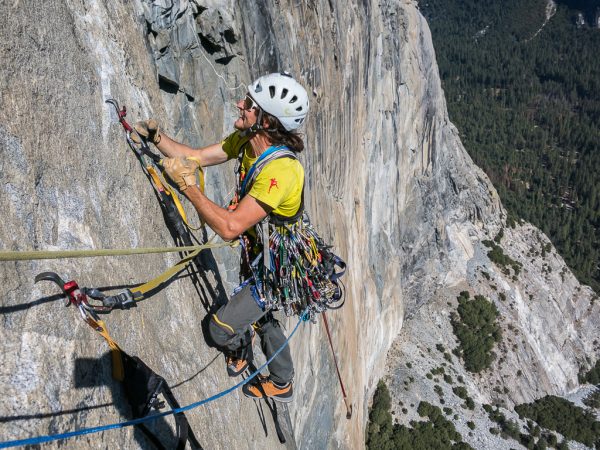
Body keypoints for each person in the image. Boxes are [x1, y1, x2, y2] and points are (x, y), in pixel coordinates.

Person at [133, 72, 310, 402]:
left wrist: (187, 186)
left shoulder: (282, 172)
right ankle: (282, 379)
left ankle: (239, 346)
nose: (240, 104)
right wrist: (158, 139)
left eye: (249, 104)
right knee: (262, 314)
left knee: (218, 329)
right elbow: (198, 156)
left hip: (277, 267)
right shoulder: (247, 140)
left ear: (266, 120)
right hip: (260, 250)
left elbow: (230, 227)